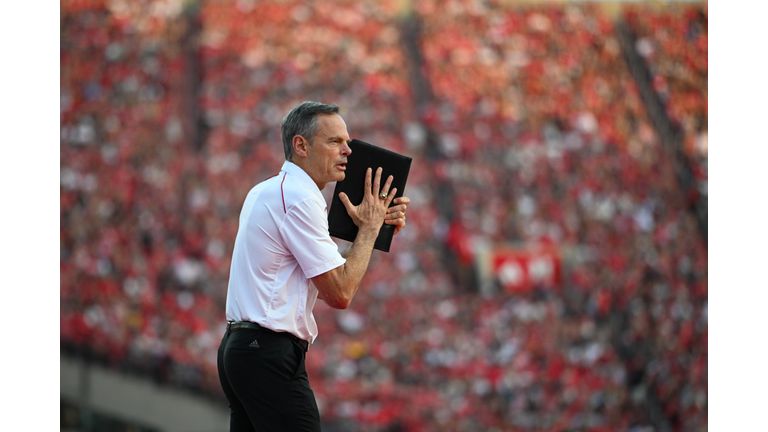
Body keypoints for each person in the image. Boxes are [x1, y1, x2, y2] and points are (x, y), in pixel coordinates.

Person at [217, 101, 410, 431]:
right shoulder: (299, 197)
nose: (348, 150)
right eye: (335, 141)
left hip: (245, 350)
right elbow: (340, 293)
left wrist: (370, 230)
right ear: (301, 145)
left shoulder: (272, 190)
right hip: (268, 351)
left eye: (347, 141)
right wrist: (368, 228)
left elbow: (320, 284)